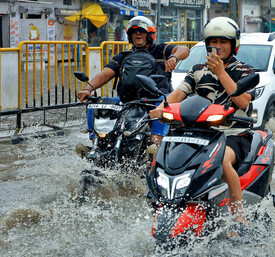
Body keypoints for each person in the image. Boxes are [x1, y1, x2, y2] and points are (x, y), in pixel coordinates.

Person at [149, 17, 255, 226]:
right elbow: (179, 94)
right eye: (213, 41)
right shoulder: (197, 69)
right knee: (162, 158)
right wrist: (160, 108)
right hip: (197, 134)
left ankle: (238, 217)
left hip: (232, 134)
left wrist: (221, 72)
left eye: (223, 41)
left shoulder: (244, 70)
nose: (218, 46)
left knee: (222, 161)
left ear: (233, 45)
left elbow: (242, 102)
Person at [76, 16, 190, 154]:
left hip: (157, 98)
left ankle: (154, 146)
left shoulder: (161, 50)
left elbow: (184, 49)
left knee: (165, 105)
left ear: (150, 33)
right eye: (134, 32)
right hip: (127, 101)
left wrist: (174, 57)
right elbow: (105, 74)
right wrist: (88, 89)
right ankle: (97, 145)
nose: (138, 34)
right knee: (96, 105)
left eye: (141, 31)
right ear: (129, 36)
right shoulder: (123, 56)